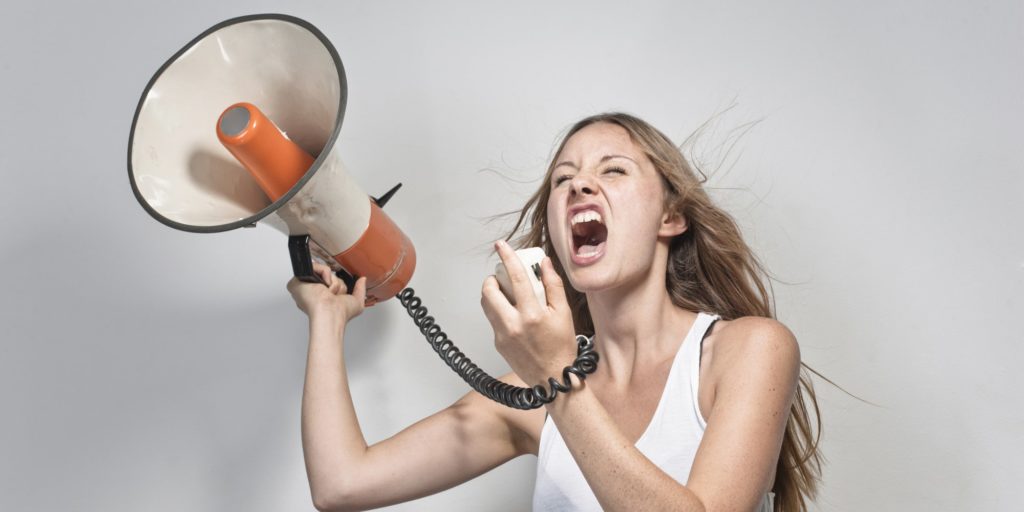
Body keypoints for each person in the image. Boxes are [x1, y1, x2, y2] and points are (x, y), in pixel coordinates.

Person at [287, 112, 822, 512]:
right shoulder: (527, 397)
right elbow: (342, 484)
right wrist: (326, 322)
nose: (579, 185)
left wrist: (555, 378)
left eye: (613, 170)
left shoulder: (746, 349)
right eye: (563, 179)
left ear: (671, 215)